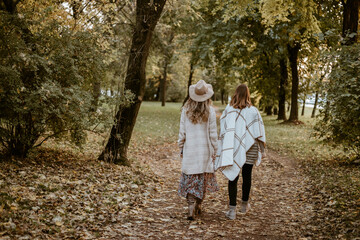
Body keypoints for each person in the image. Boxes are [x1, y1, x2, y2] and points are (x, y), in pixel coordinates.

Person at [215, 84, 266, 220]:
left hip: (233, 146)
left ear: (236, 93)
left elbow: (224, 130)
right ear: (248, 94)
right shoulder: (253, 110)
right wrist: (261, 147)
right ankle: (244, 205)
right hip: (251, 147)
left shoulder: (229, 109)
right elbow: (259, 131)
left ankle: (232, 211)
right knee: (247, 175)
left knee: (233, 177)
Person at [178, 80, 219, 220]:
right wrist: (216, 149)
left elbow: (182, 132)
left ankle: (190, 206)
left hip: (190, 149)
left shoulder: (186, 110)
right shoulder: (210, 112)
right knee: (201, 179)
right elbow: (213, 134)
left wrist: (181, 146)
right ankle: (198, 205)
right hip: (204, 151)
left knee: (190, 179)